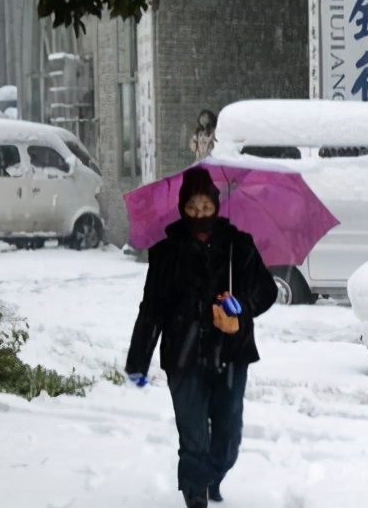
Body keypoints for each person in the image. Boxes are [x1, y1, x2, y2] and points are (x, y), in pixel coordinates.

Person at [125, 167, 278, 507]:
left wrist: (244, 306)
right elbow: (152, 309)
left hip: (231, 352)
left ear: (216, 207)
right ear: (183, 208)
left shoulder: (239, 246)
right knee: (193, 435)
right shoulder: (166, 253)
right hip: (184, 354)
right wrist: (138, 360)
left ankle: (213, 475)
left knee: (227, 437)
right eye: (192, 208)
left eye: (205, 208)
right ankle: (195, 493)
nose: (199, 215)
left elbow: (267, 291)